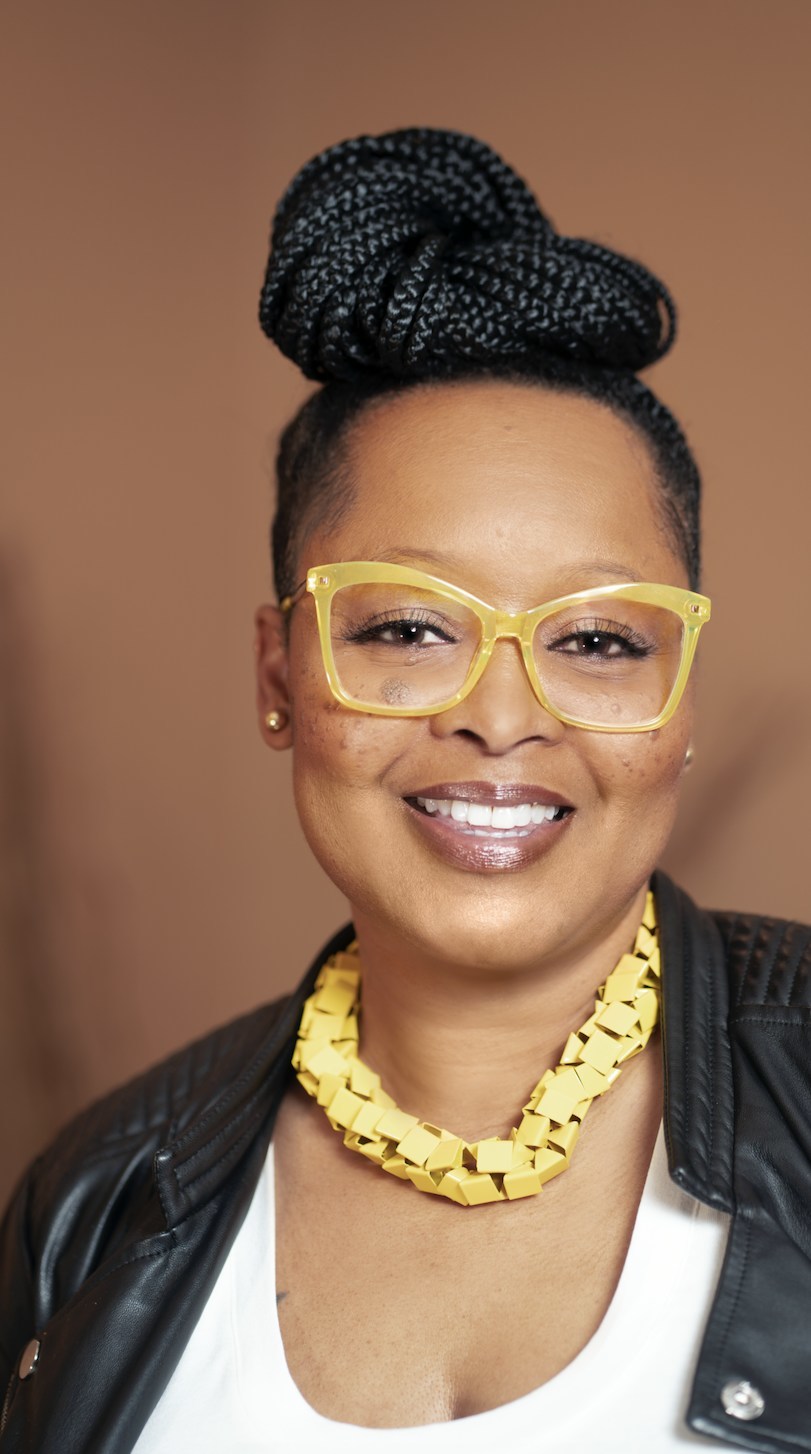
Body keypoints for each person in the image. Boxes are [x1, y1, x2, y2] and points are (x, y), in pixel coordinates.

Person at [1, 128, 809, 1454]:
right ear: (280, 673)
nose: (503, 714)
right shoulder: (93, 1199)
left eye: (599, 640)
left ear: (680, 694)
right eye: (408, 628)